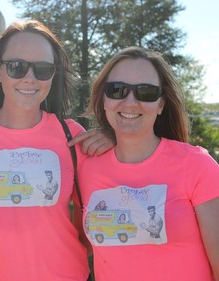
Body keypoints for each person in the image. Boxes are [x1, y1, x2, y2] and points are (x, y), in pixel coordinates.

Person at [0, 20, 114, 281]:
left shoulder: (72, 136)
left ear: (53, 74)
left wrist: (116, 138)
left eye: (43, 69)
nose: (29, 78)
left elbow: (94, 214)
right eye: (17, 67)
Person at [78, 46, 219, 281]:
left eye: (145, 92)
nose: (130, 102)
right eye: (117, 90)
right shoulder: (86, 168)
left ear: (161, 104)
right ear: (104, 100)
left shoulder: (197, 166)